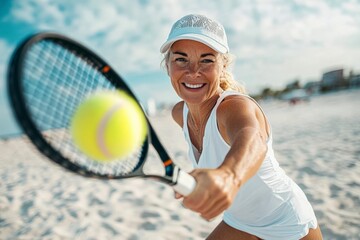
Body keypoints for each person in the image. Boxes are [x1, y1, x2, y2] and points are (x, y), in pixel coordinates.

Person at [160, 14, 323, 240]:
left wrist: (229, 177)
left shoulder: (233, 106)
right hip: (241, 222)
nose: (193, 71)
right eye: (181, 59)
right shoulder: (179, 113)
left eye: (207, 60)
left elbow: (253, 138)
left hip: (284, 220)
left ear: (223, 66)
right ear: (168, 66)